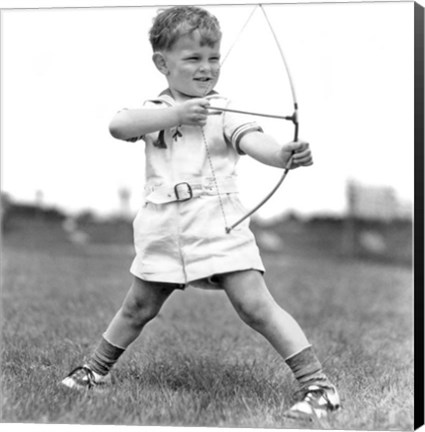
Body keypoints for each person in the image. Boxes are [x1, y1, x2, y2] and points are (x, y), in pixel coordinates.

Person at [61, 5, 340, 421]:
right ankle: (94, 371)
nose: (206, 68)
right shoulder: (154, 108)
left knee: (254, 305)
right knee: (138, 307)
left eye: (213, 58)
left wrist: (283, 155)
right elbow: (118, 125)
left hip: (217, 222)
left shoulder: (224, 109)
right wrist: (176, 113)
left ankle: (319, 387)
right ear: (162, 63)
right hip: (162, 226)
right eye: (193, 58)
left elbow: (253, 142)